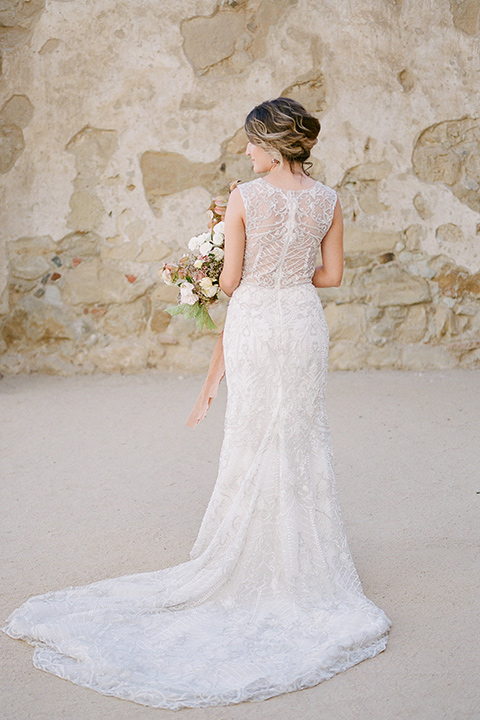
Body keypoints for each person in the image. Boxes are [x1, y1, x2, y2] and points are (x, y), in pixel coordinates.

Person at [2, 97, 391, 710]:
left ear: (268, 142)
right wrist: (287, 270)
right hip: (301, 324)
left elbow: (232, 281)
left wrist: (216, 260)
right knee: (299, 436)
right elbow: (332, 276)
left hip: (259, 323)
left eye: (248, 141)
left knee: (253, 435)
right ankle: (302, 567)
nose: (243, 151)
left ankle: (252, 560)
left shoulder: (244, 197)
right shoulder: (329, 199)